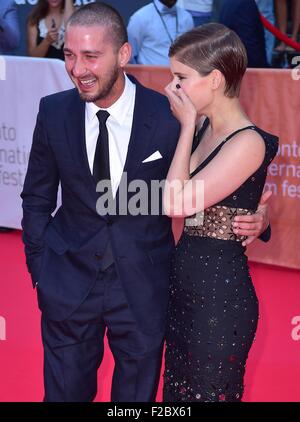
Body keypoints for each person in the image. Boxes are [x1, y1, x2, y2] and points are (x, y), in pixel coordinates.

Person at [21, 3, 271, 402]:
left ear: (123, 54)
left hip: (143, 289)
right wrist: (41, 270)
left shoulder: (170, 115)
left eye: (90, 56)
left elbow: (215, 179)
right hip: (67, 286)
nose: (77, 68)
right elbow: (36, 198)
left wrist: (259, 217)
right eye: (69, 55)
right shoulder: (53, 112)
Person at [163, 23, 278, 402]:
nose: (172, 88)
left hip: (219, 302)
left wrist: (184, 129)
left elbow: (175, 203)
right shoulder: (202, 129)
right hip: (183, 293)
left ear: (214, 80)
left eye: (181, 77)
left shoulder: (248, 142)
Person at [127, 0, 194, 65]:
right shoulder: (140, 18)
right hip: (149, 75)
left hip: (179, 74)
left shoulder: (187, 18)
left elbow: (190, 52)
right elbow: (130, 55)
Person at [217, 0, 268, 68]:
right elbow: (251, 50)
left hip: (233, 66)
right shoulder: (244, 6)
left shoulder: (237, 3)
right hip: (245, 71)